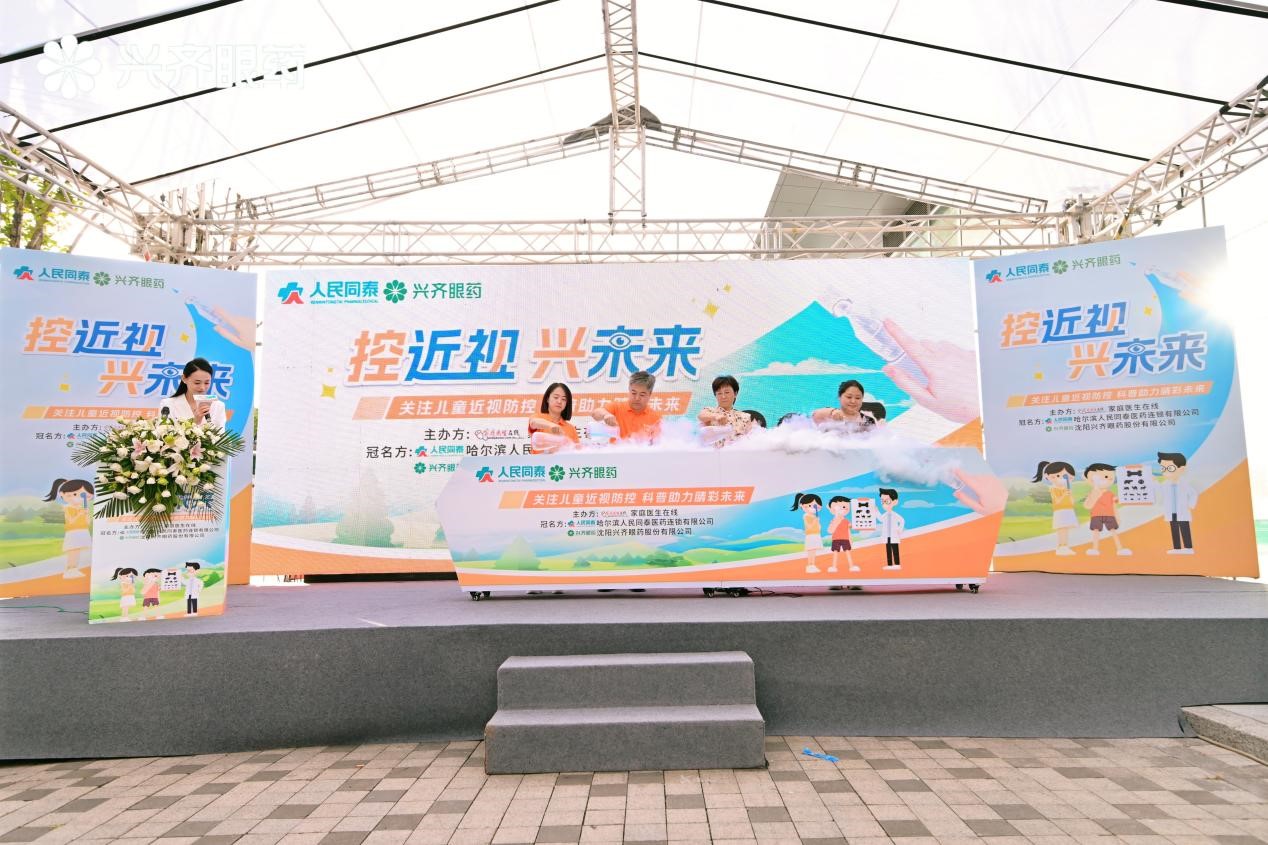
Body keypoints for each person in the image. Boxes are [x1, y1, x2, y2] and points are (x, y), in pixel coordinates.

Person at [592, 371, 662, 443]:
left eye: (642, 395)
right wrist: (605, 415)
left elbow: (656, 444)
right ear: (629, 390)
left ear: (650, 394)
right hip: (615, 449)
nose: (637, 398)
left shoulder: (656, 418)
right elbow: (595, 413)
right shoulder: (617, 407)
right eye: (634, 393)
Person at [159, 358, 227, 428]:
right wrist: (194, 422)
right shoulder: (168, 404)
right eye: (197, 383)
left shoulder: (218, 406)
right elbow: (163, 432)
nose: (202, 388)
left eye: (206, 383)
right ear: (184, 378)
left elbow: (221, 434)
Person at [1033, 460, 1077, 555]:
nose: (1061, 479)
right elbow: (1057, 501)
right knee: (1061, 529)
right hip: (1060, 511)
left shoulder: (1066, 489)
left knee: (1065, 530)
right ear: (1048, 476)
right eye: (1057, 476)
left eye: (1065, 476)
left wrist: (1069, 495)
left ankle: (1064, 546)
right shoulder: (1053, 489)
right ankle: (1061, 547)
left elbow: (1072, 502)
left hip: (1068, 510)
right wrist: (1064, 494)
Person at [1157, 452, 1197, 555]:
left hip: (1182, 511)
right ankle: (1177, 548)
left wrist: (1190, 505)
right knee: (1174, 529)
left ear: (1181, 469)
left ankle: (1188, 548)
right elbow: (1160, 491)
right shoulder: (1165, 484)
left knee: (1184, 528)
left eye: (1170, 468)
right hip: (1171, 512)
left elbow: (1193, 494)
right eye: (1163, 468)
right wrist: (1153, 481)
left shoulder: (1184, 483)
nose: (1165, 471)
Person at [697, 375, 754, 447]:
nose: (723, 396)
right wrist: (716, 416)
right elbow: (701, 416)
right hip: (713, 452)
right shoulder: (710, 411)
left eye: (727, 392)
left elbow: (750, 441)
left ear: (735, 394)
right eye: (719, 393)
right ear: (715, 395)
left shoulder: (745, 417)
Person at [527, 383, 579, 453]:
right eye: (556, 397)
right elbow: (533, 423)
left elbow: (577, 453)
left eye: (564, 399)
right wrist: (551, 425)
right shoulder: (538, 417)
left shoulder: (571, 428)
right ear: (547, 399)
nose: (559, 401)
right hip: (539, 460)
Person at [790, 492, 824, 574]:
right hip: (810, 535)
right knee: (811, 551)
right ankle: (809, 565)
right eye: (809, 505)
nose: (812, 508)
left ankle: (812, 565)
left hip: (816, 535)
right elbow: (809, 526)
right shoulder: (806, 516)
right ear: (802, 505)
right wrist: (815, 521)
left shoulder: (814, 516)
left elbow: (819, 528)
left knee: (813, 551)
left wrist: (818, 522)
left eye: (815, 505)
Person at [876, 488, 905, 570]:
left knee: (895, 549)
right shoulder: (885, 515)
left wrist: (900, 529)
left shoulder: (895, 515)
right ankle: (889, 564)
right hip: (887, 536)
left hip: (894, 535)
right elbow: (880, 519)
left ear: (895, 501)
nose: (884, 504)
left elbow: (902, 521)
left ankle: (897, 564)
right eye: (882, 501)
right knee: (888, 550)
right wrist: (876, 511)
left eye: (887, 501)